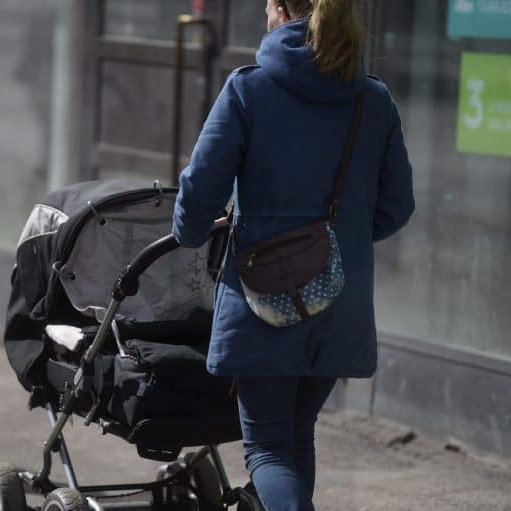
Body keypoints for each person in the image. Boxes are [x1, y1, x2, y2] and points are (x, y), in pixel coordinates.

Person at [171, 0, 415, 509]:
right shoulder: (373, 100)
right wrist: (334, 245)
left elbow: (199, 191)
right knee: (297, 434)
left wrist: (189, 233)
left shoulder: (248, 90)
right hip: (338, 303)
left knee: (267, 448)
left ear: (281, 11)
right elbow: (397, 206)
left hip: (264, 300)